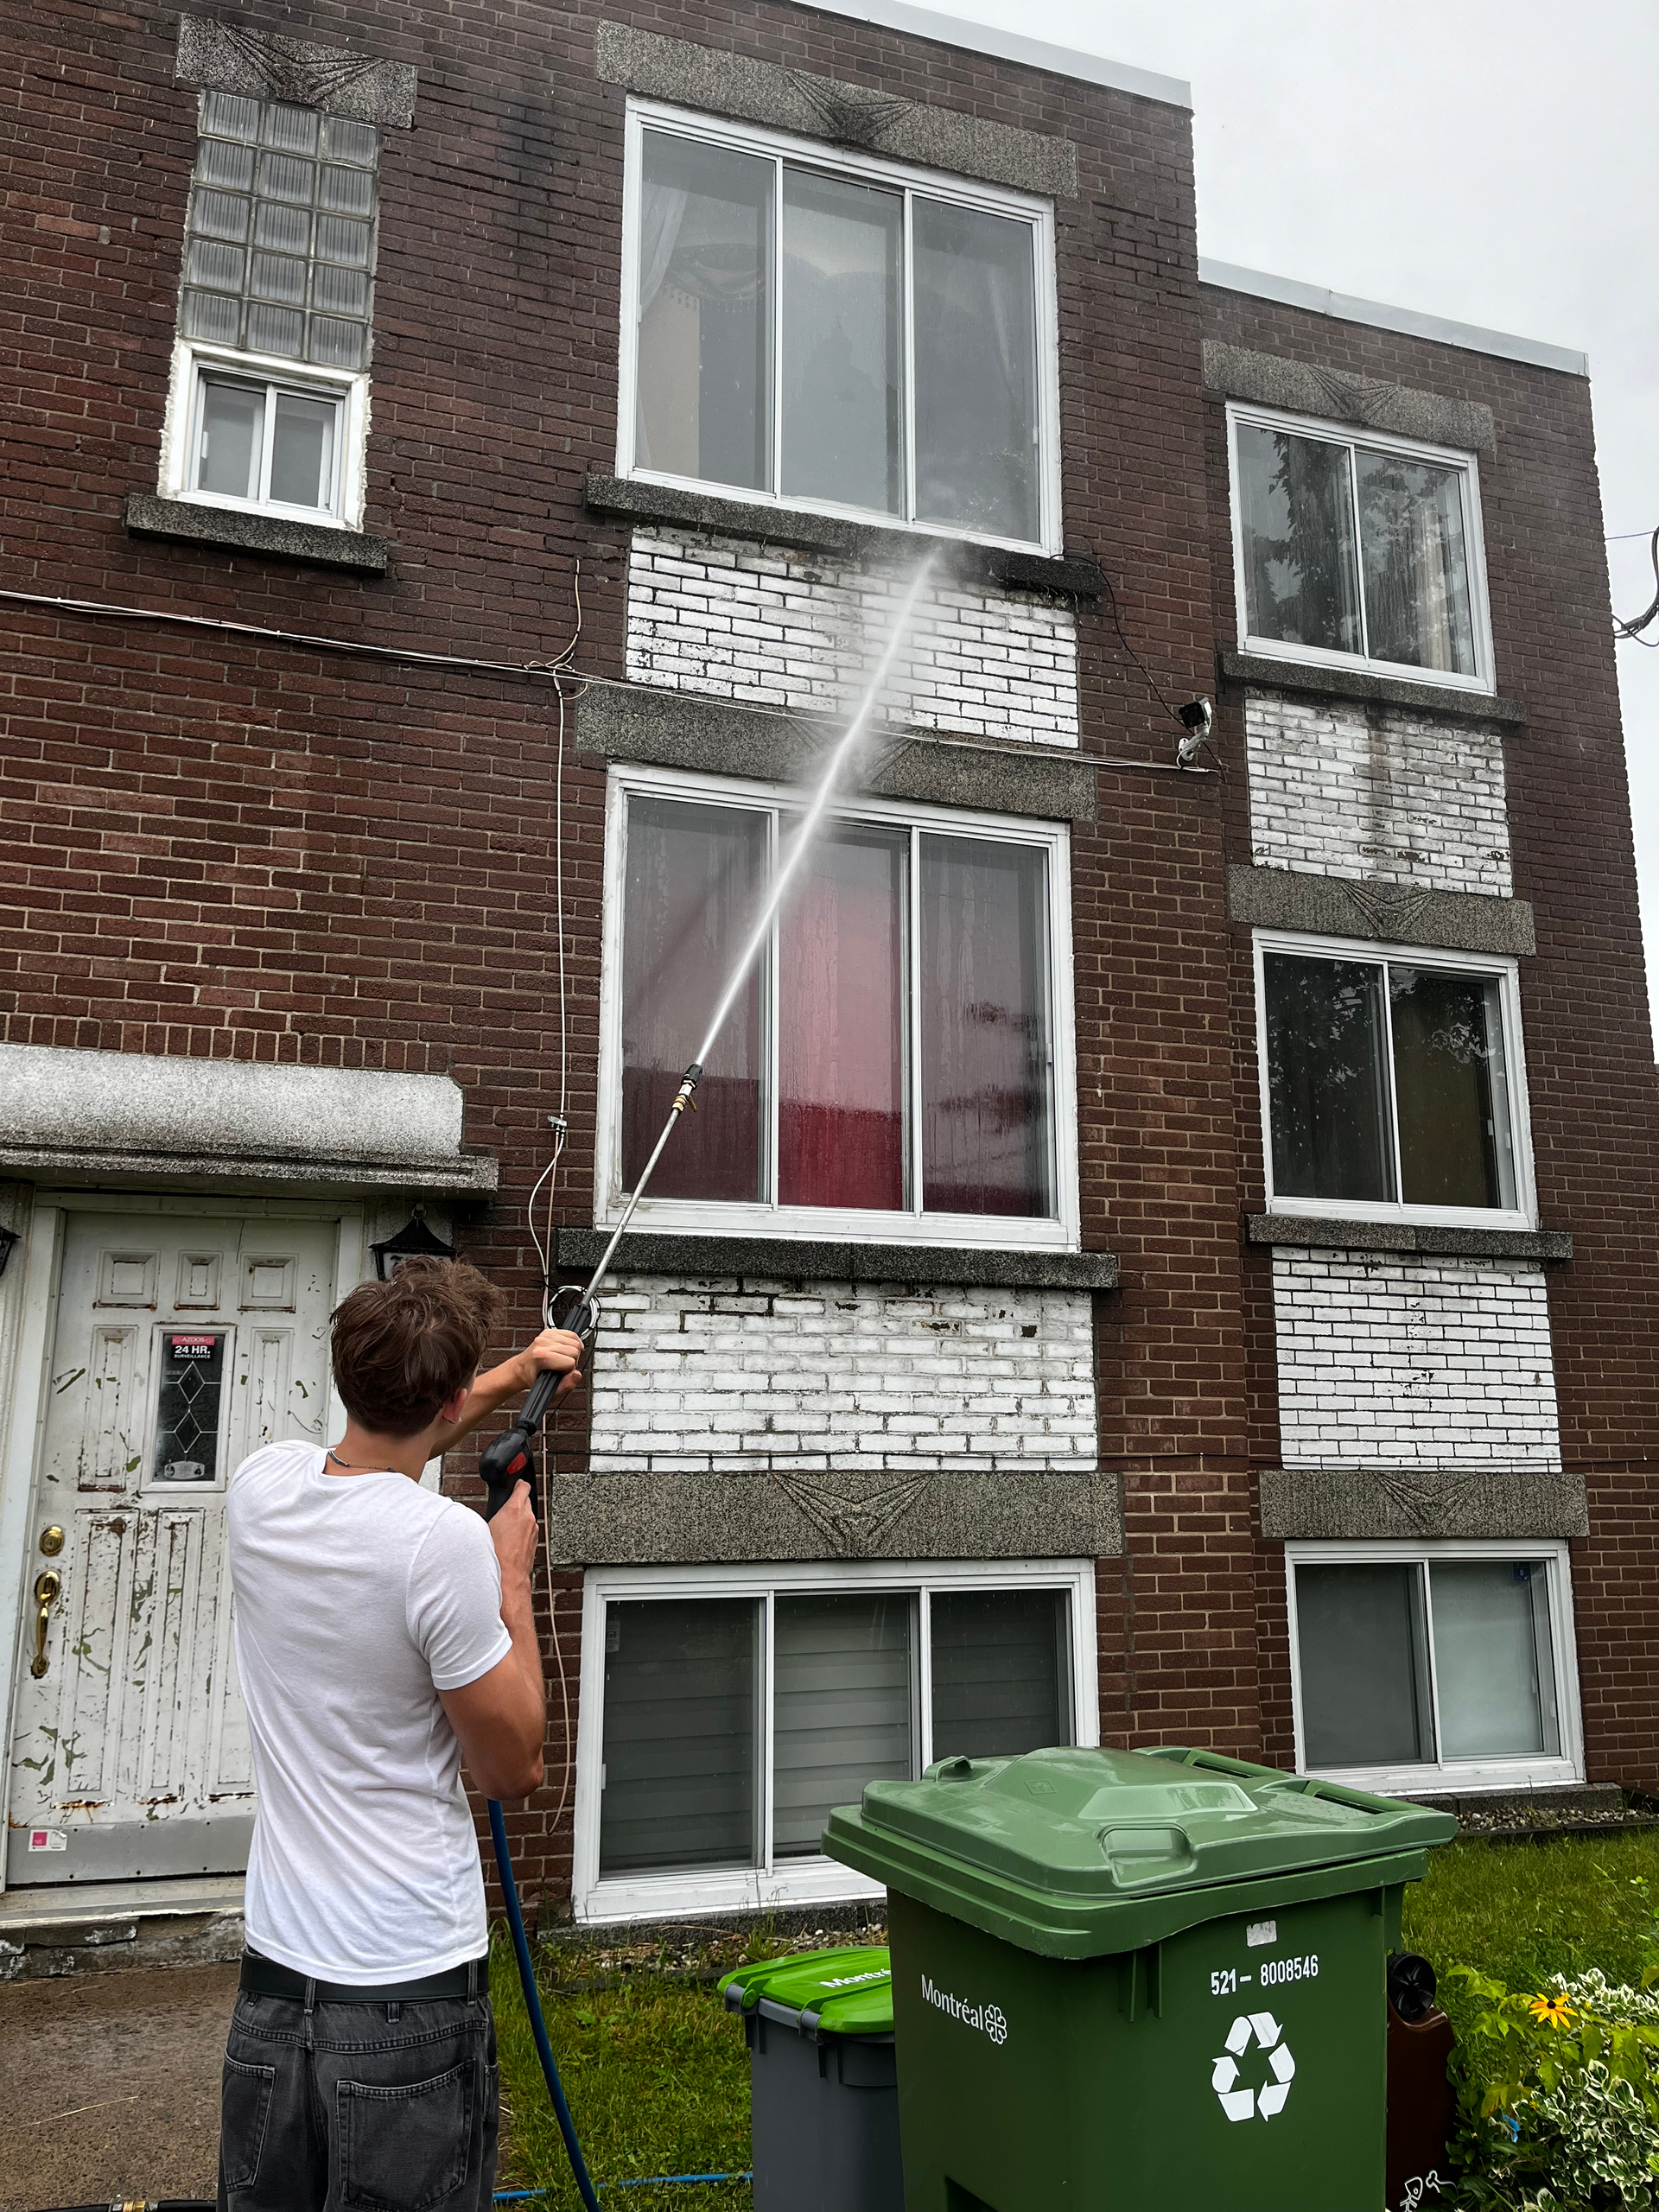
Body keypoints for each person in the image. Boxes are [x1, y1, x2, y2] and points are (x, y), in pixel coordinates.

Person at [216, 1255, 583, 2211]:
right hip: (405, 1991)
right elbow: (513, 1768)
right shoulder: (440, 1544)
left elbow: (399, 1432)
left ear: (346, 1374)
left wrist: (513, 1372)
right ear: (449, 1397)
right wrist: (509, 1571)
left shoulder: (261, 1487)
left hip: (272, 1989)